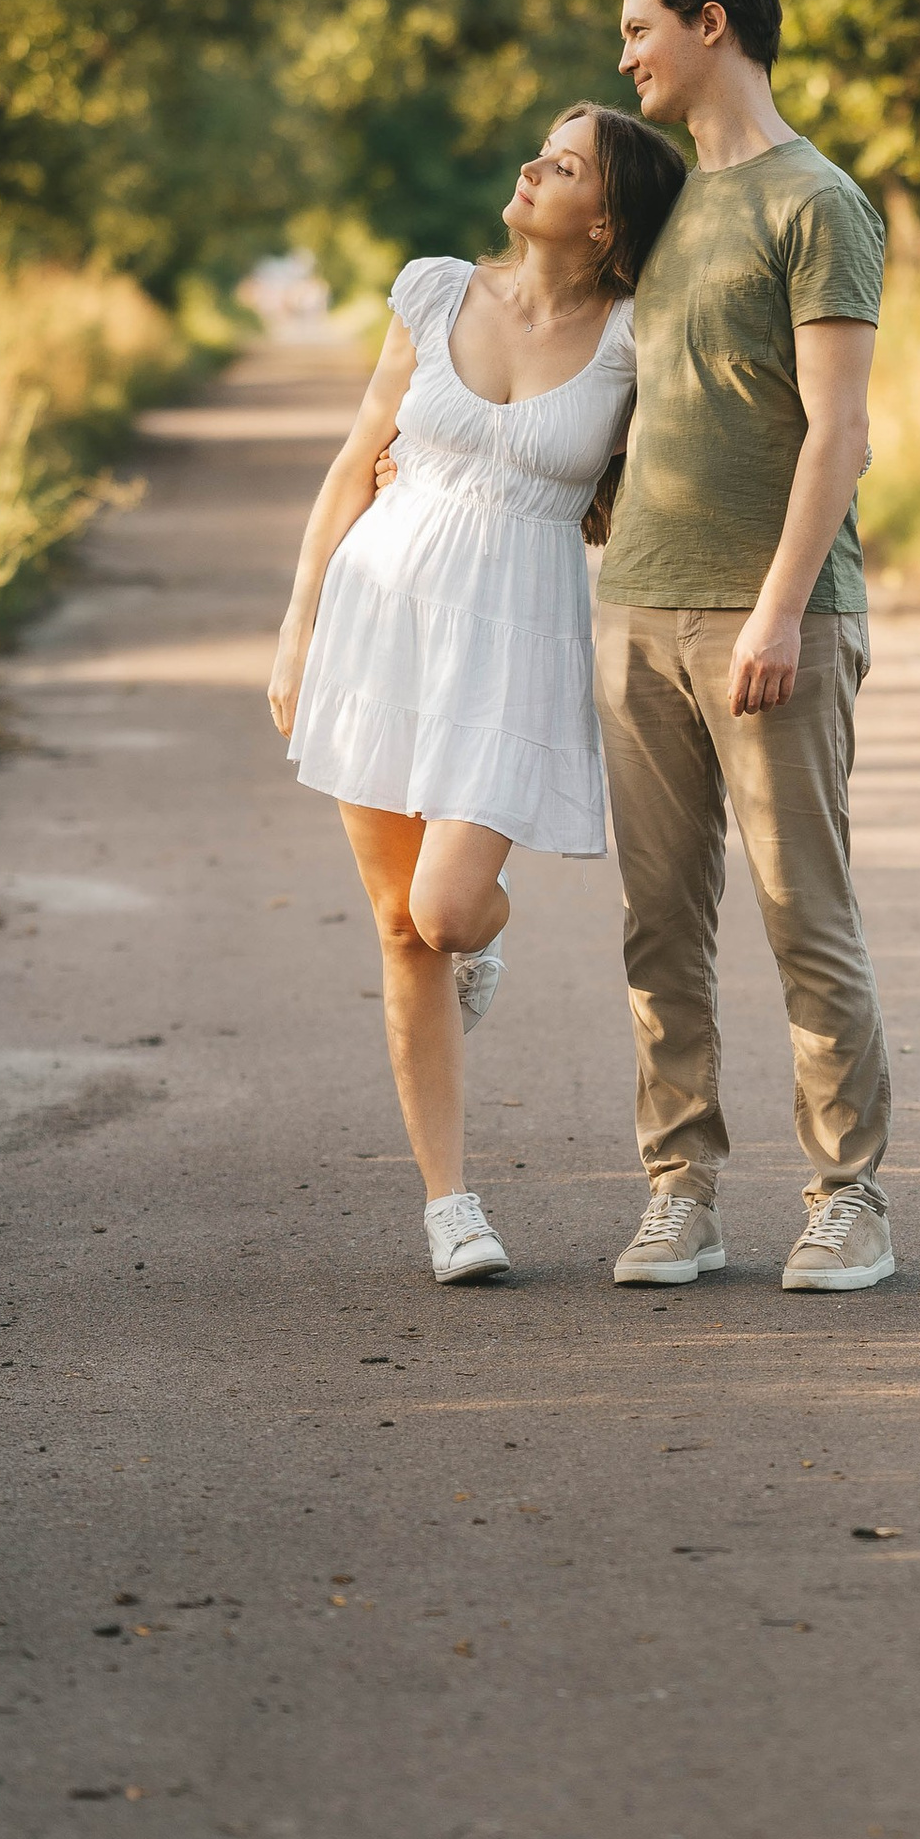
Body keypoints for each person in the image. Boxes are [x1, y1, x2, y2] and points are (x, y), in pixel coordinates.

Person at [266, 104, 686, 1282]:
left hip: (513, 644)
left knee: (449, 910)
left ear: (606, 220)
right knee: (400, 927)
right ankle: (450, 1205)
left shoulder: (635, 339)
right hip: (378, 620)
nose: (530, 166)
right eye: (539, 149)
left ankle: (482, 943)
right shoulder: (436, 292)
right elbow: (358, 460)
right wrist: (298, 621)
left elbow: (665, 479)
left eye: (563, 164)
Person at [593, 0, 896, 1294]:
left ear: (712, 25)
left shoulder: (816, 200)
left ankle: (850, 1199)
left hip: (774, 620)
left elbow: (839, 434)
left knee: (802, 914)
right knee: (660, 925)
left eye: (642, 27)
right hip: (639, 608)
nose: (627, 54)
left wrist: (779, 611)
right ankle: (681, 1195)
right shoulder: (663, 208)